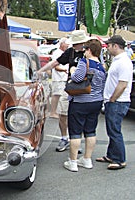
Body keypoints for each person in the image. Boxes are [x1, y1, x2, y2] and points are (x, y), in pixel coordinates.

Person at [38, 30, 89, 153]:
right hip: (70, 87)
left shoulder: (88, 52)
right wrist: (40, 71)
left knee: (80, 115)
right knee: (63, 113)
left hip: (85, 89)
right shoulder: (70, 52)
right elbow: (55, 63)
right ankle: (64, 138)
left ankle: (76, 140)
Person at [63, 39, 106, 172]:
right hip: (96, 101)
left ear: (89, 50)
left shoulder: (84, 62)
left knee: (75, 132)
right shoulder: (102, 67)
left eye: (85, 49)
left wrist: (72, 70)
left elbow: (77, 78)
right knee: (90, 131)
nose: (84, 52)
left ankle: (73, 162)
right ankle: (87, 159)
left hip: (80, 102)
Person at [96, 35, 133, 170]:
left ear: (115, 46)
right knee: (111, 129)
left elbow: (122, 84)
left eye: (109, 45)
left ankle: (119, 159)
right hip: (115, 101)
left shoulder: (123, 62)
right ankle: (111, 154)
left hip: (118, 101)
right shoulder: (118, 60)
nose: (107, 48)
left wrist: (112, 99)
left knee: (114, 130)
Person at [50, 37, 69, 118]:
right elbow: (55, 66)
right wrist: (64, 70)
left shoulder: (64, 53)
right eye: (66, 44)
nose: (67, 45)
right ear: (62, 44)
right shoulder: (57, 53)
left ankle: (57, 111)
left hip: (63, 78)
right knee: (56, 95)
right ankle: (53, 112)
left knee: (60, 95)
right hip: (58, 78)